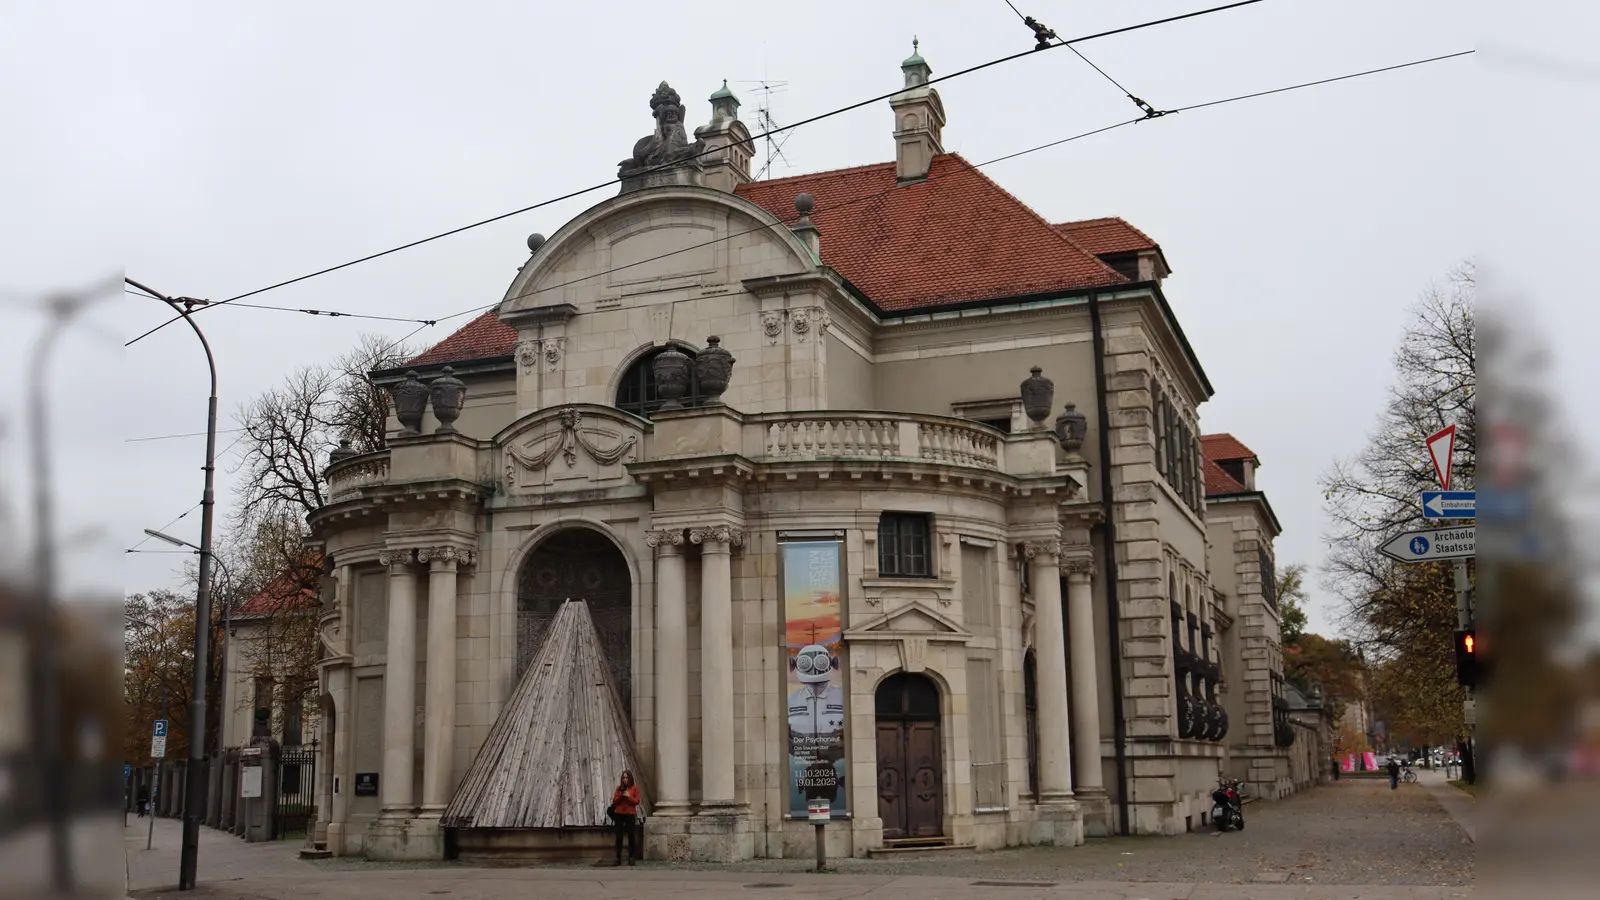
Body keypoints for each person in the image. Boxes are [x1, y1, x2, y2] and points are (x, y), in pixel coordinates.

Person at [609, 770, 641, 865]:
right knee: (619, 836)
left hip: (630, 814)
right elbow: (614, 801)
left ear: (630, 778)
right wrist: (621, 796)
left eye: (627, 777)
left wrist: (628, 796)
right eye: (623, 777)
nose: (625, 779)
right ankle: (618, 858)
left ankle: (631, 857)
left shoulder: (634, 788)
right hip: (619, 814)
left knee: (631, 836)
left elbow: (637, 801)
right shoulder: (619, 789)